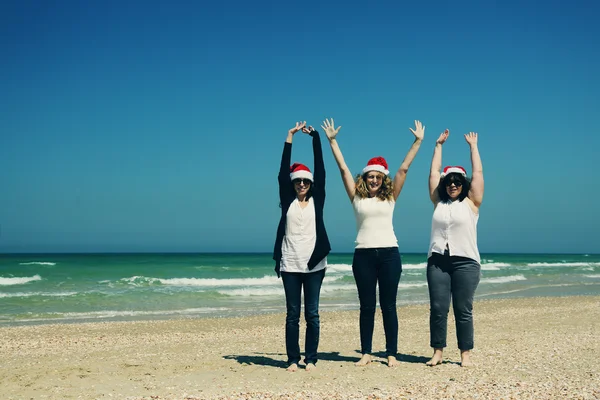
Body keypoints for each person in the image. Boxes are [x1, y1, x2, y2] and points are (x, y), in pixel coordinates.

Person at [322, 118, 424, 367]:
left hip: (390, 254)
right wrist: (333, 141)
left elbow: (403, 170)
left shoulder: (390, 198)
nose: (374, 180)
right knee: (367, 306)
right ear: (365, 179)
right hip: (363, 256)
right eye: (370, 177)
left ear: (383, 179)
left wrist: (417, 142)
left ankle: (391, 353)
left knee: (389, 306)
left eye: (378, 177)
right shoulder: (357, 198)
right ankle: (366, 352)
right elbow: (344, 170)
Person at [272, 121, 331, 372]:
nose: (302, 185)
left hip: (315, 264)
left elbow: (321, 169)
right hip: (290, 263)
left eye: (306, 182)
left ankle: (311, 358)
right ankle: (293, 359)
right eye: (298, 182)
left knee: (313, 315)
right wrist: (289, 138)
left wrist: (315, 138)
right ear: (294, 184)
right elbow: (281, 173)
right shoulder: (288, 201)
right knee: (292, 314)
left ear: (310, 183)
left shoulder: (318, 199)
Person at [425, 129, 484, 367]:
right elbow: (432, 173)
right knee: (438, 308)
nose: (452, 185)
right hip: (438, 261)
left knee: (463, 309)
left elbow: (478, 172)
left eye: (457, 181)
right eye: (449, 181)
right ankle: (437, 352)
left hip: (466, 262)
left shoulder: (472, 203)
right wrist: (438, 146)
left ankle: (465, 354)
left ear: (464, 184)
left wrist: (473, 147)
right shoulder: (438, 202)